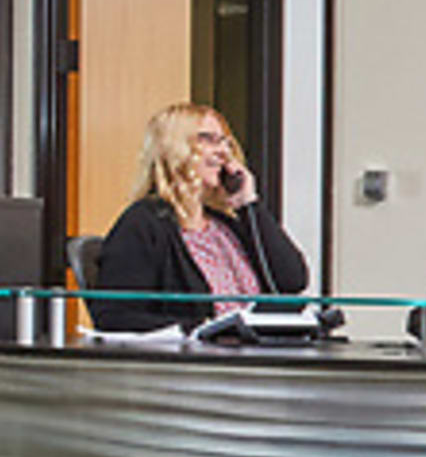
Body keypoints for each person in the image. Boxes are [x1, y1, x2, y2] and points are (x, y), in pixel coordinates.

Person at [87, 104, 310, 334]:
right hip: (199, 362)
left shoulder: (225, 225)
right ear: (173, 148)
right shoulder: (143, 223)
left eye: (226, 142)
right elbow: (114, 316)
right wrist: (200, 329)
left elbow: (292, 281)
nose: (224, 151)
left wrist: (249, 205)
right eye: (208, 139)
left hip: (254, 354)